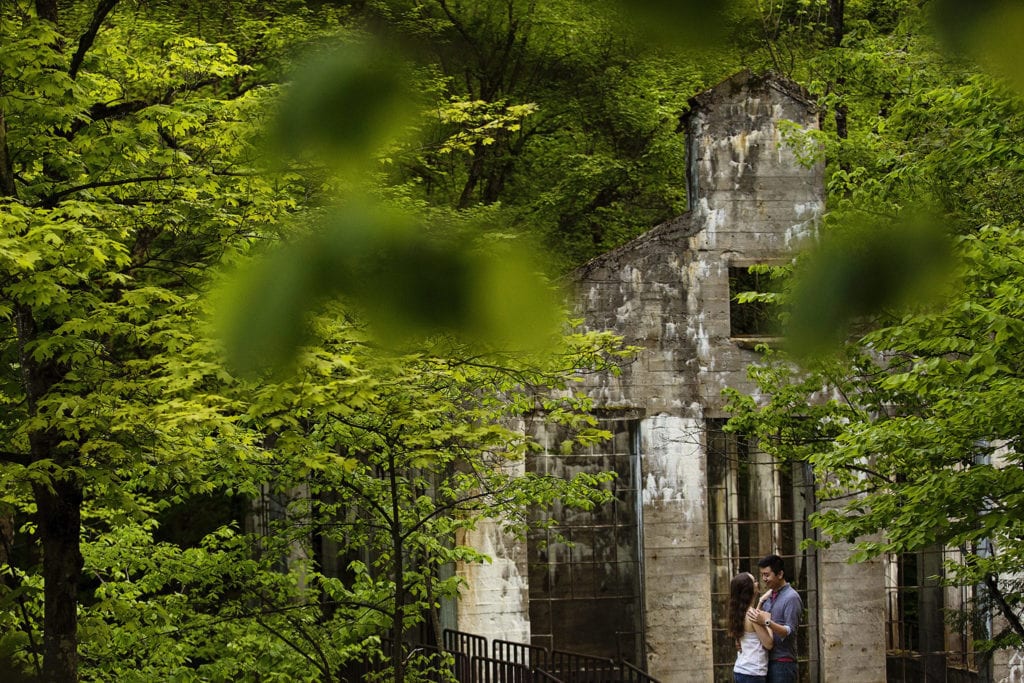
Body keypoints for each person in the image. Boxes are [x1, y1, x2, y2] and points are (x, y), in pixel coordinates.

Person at [747, 554, 802, 683]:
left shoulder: (791, 597)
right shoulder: (769, 597)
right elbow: (757, 619)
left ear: (780, 574)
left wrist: (767, 622)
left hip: (783, 663)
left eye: (767, 575)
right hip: (766, 662)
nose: (764, 579)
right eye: (762, 575)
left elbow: (790, 631)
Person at [729, 572, 774, 683]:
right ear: (748, 589)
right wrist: (767, 622)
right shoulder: (752, 616)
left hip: (740, 670)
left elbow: (753, 618)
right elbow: (769, 644)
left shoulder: (740, 612)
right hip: (753, 673)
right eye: (754, 581)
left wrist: (761, 601)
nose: (757, 582)